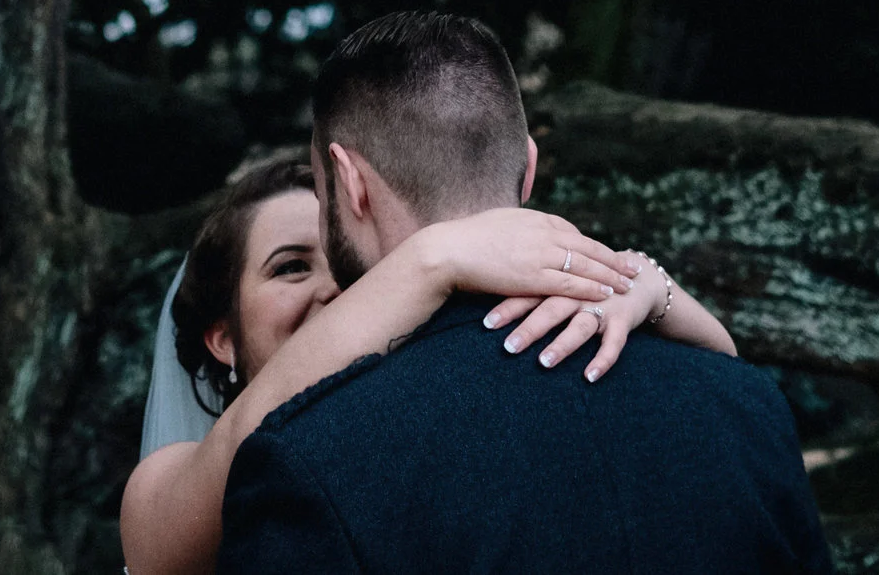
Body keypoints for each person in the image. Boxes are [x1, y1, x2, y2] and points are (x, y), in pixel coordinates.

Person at [210, 11, 832, 575]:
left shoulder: (313, 456)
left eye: (321, 197)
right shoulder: (742, 401)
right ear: (528, 168)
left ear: (350, 186)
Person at [121, 109, 740, 575]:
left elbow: (733, 395)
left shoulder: (430, 431)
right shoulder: (168, 482)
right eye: (289, 267)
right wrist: (431, 256)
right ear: (222, 339)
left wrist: (640, 284)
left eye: (344, 263)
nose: (338, 290)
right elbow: (244, 441)